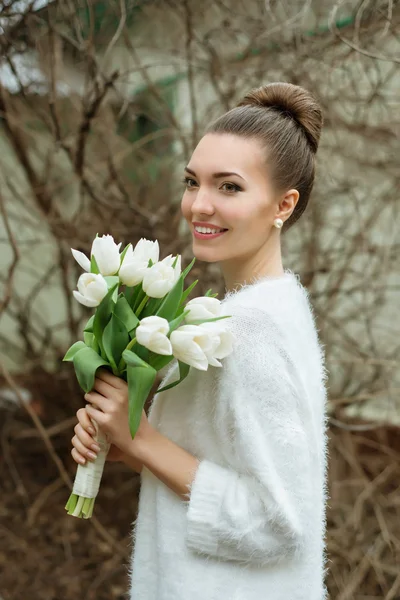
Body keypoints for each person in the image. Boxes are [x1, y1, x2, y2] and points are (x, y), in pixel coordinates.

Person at [71, 81, 329, 600]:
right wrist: (130, 446)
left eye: (229, 187)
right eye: (193, 182)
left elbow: (280, 523)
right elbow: (224, 460)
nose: (198, 205)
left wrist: (144, 438)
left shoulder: (253, 330)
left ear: (284, 204)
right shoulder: (260, 309)